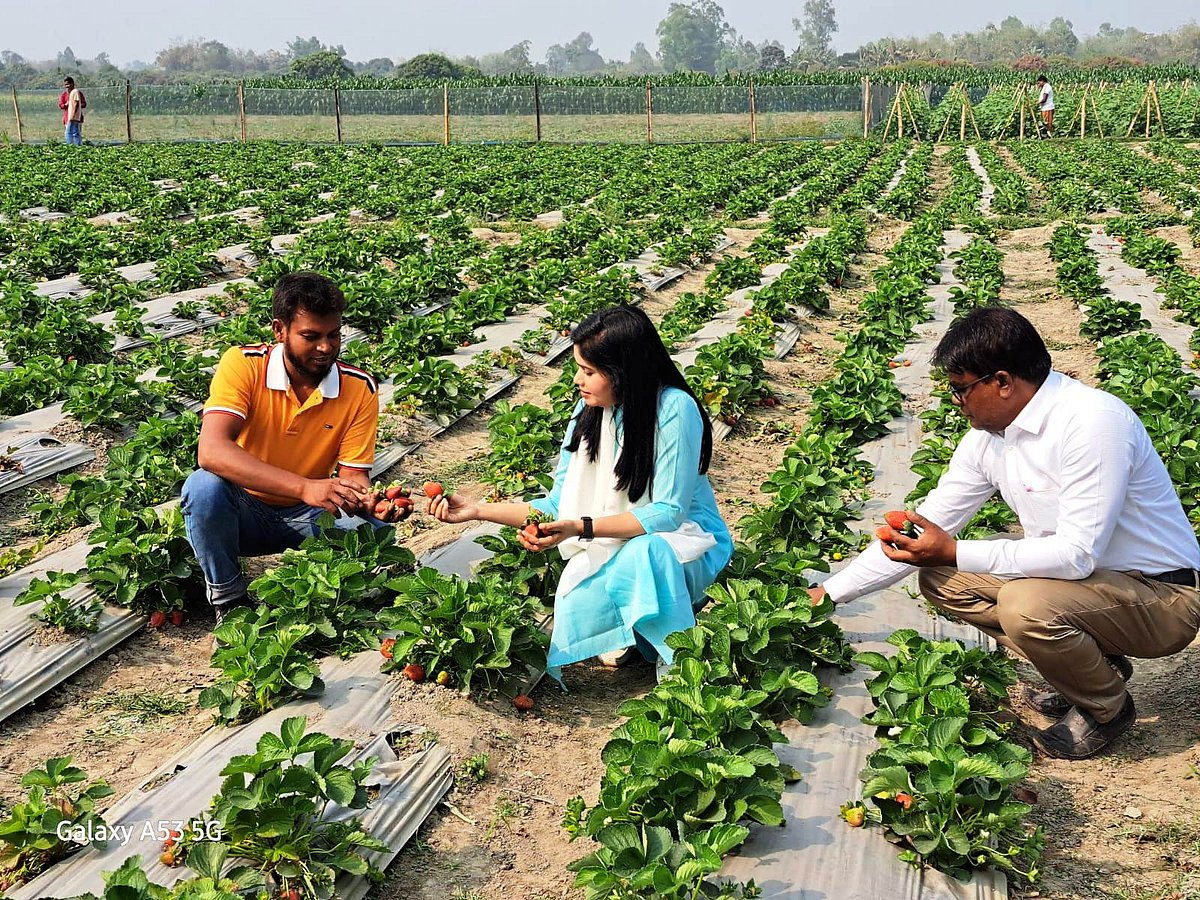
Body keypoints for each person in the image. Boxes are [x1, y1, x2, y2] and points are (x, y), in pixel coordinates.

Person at [810, 307, 1200, 760]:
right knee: (939, 578)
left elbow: (1076, 555)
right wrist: (830, 593)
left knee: (1024, 606)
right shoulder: (991, 437)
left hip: (1161, 596)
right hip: (1088, 591)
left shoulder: (1092, 423)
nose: (957, 402)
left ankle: (1106, 708)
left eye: (961, 389)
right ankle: (1093, 669)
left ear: (1002, 381)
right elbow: (929, 522)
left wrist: (955, 549)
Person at [429, 304, 733, 683]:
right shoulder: (589, 412)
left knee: (646, 553)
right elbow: (558, 504)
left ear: (624, 372)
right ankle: (637, 632)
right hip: (615, 539)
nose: (578, 379)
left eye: (589, 371)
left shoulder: (673, 408)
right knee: (622, 560)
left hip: (687, 542)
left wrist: (581, 528)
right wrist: (475, 510)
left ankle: (680, 658)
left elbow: (668, 513)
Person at [181, 272, 379, 626]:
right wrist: (305, 486)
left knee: (376, 529)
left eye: (333, 335)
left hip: (307, 516)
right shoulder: (244, 364)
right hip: (242, 515)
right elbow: (211, 451)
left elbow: (353, 478)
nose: (326, 347)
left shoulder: (358, 388)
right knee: (203, 486)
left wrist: (373, 502)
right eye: (311, 336)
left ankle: (324, 596)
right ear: (279, 330)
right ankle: (229, 598)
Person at [59, 77, 86, 145]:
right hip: (67, 117)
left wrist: (75, 107)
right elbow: (61, 105)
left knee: (73, 133)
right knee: (71, 133)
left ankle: (73, 146)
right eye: (65, 85)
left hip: (76, 117)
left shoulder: (77, 93)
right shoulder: (64, 95)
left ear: (72, 84)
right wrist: (66, 104)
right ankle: (74, 146)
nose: (66, 86)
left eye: (68, 84)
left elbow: (83, 104)